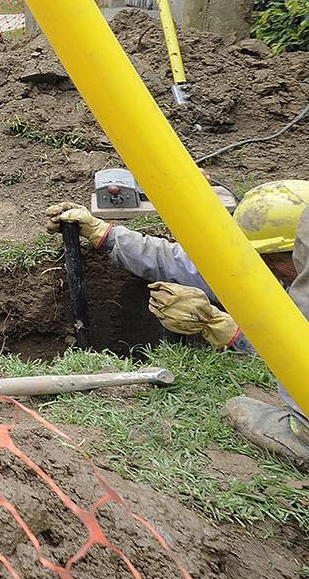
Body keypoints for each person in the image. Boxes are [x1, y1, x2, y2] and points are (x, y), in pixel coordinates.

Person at [47, 181, 309, 469]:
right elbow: (192, 265)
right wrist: (105, 235)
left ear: (296, 253)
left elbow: (300, 350)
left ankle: (303, 435)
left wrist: (227, 331)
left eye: (269, 262)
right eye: (258, 260)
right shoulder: (287, 268)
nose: (264, 269)